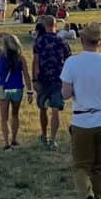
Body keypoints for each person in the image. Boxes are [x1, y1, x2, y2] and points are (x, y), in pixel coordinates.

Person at [60, 23, 101, 199]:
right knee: (99, 167)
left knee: (81, 166)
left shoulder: (72, 63)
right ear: (100, 42)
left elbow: (65, 94)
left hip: (82, 121)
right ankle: (98, 195)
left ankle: (86, 194)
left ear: (82, 40)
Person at [33, 15, 71, 150]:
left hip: (43, 80)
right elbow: (68, 62)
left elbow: (35, 62)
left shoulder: (39, 41)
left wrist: (35, 79)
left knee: (43, 108)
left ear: (44, 25)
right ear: (55, 25)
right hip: (59, 80)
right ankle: (53, 139)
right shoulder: (63, 41)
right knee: (55, 110)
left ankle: (44, 135)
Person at [0, 32, 33, 150]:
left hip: (3, 89)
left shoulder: (1, 55)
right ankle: (14, 139)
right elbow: (27, 76)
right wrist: (30, 91)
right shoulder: (21, 58)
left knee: (4, 118)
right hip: (17, 89)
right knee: (15, 115)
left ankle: (6, 143)